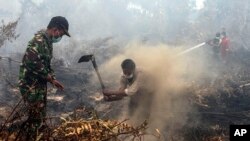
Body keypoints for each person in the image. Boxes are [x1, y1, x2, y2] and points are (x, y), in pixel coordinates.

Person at [18, 16, 70, 139]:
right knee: (35, 118)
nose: (60, 37)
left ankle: (36, 136)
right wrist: (50, 78)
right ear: (56, 29)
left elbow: (46, 64)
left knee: (40, 115)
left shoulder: (48, 42)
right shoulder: (38, 40)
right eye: (61, 34)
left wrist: (53, 78)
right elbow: (33, 62)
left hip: (39, 84)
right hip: (30, 85)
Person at [102, 59, 154, 123]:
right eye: (124, 72)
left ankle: (146, 126)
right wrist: (110, 99)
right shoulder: (123, 76)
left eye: (129, 73)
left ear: (133, 69)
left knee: (145, 113)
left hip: (148, 92)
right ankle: (131, 125)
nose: (126, 74)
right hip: (136, 92)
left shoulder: (141, 74)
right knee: (131, 111)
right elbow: (121, 94)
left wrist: (109, 92)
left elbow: (130, 92)